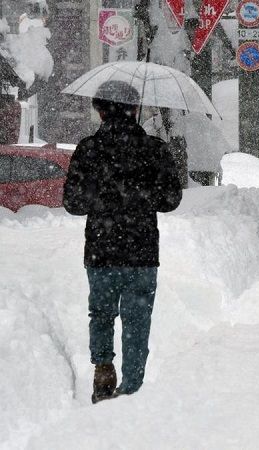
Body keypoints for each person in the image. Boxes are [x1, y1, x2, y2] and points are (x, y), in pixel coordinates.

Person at [63, 80, 183, 403]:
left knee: (101, 313)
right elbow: (172, 199)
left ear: (100, 110)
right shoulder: (154, 149)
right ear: (134, 110)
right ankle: (132, 388)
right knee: (137, 320)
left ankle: (103, 366)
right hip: (142, 253)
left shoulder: (88, 149)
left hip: (101, 251)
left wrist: (102, 196)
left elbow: (72, 202)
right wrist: (141, 194)